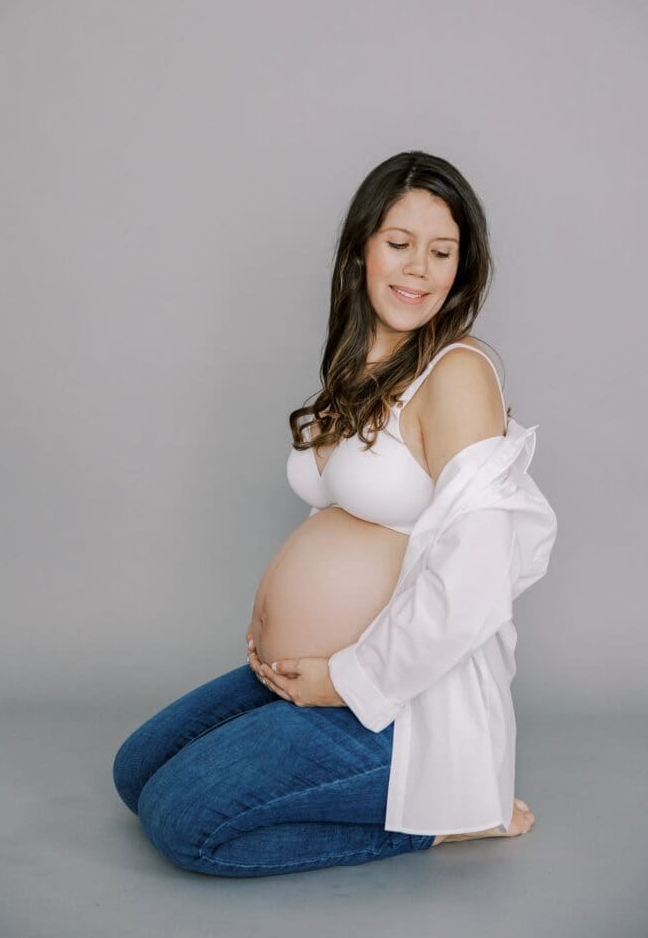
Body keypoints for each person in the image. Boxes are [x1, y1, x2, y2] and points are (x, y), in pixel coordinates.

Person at [112, 150, 557, 878]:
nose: (417, 269)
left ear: (461, 269)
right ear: (360, 250)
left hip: (398, 707)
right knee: (135, 773)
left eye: (440, 252)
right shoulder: (362, 363)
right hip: (314, 679)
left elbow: (475, 577)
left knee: (182, 823)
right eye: (398, 243)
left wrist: (350, 679)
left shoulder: (457, 373)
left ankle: (445, 818)